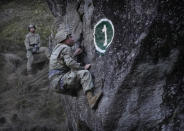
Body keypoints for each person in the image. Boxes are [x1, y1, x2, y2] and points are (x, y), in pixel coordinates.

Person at [49, 28, 103, 109]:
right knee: (84, 73)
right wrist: (83, 67)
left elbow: (63, 62)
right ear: (65, 39)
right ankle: (91, 100)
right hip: (61, 80)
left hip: (56, 83)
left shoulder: (57, 49)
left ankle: (76, 91)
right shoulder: (65, 48)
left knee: (76, 79)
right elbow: (70, 63)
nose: (72, 38)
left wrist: (74, 54)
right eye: (70, 37)